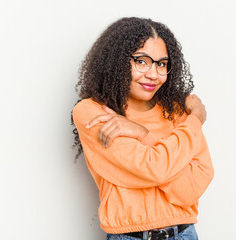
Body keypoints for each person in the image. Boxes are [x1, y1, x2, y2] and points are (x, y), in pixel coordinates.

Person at [72, 17, 214, 240]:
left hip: (185, 234)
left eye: (161, 63)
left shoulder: (177, 111)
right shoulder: (93, 113)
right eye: (141, 61)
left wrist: (141, 134)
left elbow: (191, 188)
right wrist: (195, 120)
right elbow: (154, 168)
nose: (153, 74)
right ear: (117, 61)